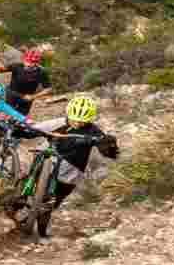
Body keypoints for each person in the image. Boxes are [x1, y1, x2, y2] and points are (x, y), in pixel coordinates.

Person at [15, 94, 120, 233]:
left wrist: (110, 146)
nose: (77, 123)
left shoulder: (93, 131)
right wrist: (19, 130)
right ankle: (20, 196)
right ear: (68, 114)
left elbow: (106, 149)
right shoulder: (58, 123)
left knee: (54, 201)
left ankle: (41, 229)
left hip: (71, 171)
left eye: (82, 121)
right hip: (48, 160)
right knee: (34, 178)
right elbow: (35, 129)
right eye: (74, 119)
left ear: (89, 120)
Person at [0, 47, 52, 117]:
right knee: (7, 113)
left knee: (20, 117)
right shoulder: (17, 66)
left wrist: (33, 96)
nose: (28, 64)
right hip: (12, 93)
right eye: (27, 61)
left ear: (36, 62)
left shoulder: (41, 72)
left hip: (27, 97)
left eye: (32, 62)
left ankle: (17, 126)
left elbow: (48, 89)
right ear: (25, 59)